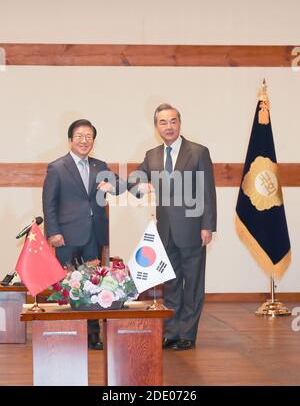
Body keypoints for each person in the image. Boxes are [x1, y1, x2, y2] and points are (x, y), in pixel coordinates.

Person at [128, 104, 217, 350]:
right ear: (156, 127)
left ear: (180, 123)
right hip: (165, 231)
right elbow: (135, 178)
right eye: (163, 122)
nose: (169, 126)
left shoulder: (198, 152)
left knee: (193, 284)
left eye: (173, 121)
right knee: (171, 284)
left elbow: (207, 192)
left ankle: (188, 333)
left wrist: (207, 226)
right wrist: (140, 186)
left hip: (193, 229)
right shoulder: (152, 155)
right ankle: (172, 332)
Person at [42, 119, 124, 350]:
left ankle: (92, 334)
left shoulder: (100, 166)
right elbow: (49, 203)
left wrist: (112, 186)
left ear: (93, 141)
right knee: (67, 284)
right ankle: (66, 331)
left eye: (89, 136)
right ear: (70, 140)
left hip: (94, 235)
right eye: (79, 136)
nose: (84, 140)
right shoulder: (57, 167)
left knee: (93, 284)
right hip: (66, 236)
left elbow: (118, 185)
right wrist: (53, 232)